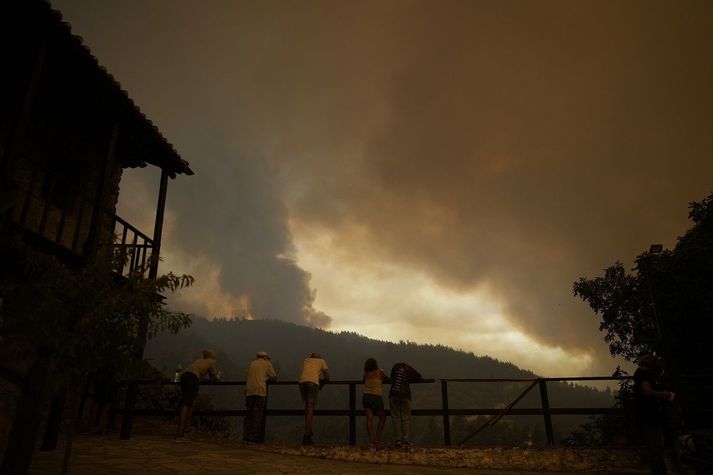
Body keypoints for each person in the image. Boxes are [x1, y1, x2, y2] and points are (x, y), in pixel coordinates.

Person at [634, 353, 675, 475]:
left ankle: (659, 471)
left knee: (655, 447)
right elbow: (647, 391)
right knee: (656, 448)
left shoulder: (639, 373)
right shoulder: (644, 374)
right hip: (650, 415)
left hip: (646, 414)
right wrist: (664, 394)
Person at [175, 348, 218, 442]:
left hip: (184, 376)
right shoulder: (212, 362)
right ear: (212, 356)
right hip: (193, 379)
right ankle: (180, 434)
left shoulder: (199, 361)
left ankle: (186, 429)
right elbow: (213, 377)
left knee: (190, 402)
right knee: (186, 404)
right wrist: (216, 378)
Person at [243, 351, 277, 444]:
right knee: (257, 415)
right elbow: (274, 377)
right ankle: (253, 439)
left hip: (249, 390)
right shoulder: (267, 364)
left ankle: (245, 437)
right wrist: (266, 379)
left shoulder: (252, 363)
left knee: (249, 414)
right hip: (260, 391)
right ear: (266, 357)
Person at [389, 361, 422, 448]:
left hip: (394, 394)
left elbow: (391, 377)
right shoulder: (408, 368)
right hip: (405, 394)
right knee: (405, 418)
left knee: (396, 418)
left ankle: (398, 441)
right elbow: (419, 377)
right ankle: (406, 441)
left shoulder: (395, 366)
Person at [298, 352, 329, 445]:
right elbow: (327, 377)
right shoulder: (321, 361)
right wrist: (321, 384)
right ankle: (306, 436)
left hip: (302, 383)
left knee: (307, 407)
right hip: (313, 384)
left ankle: (308, 430)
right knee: (310, 408)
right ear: (319, 357)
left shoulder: (306, 360)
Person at [362, 358, 390, 449]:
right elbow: (387, 378)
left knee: (369, 419)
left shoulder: (365, 374)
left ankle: (371, 441)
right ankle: (377, 439)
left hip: (366, 396)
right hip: (376, 396)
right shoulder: (379, 372)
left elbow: (363, 381)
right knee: (382, 417)